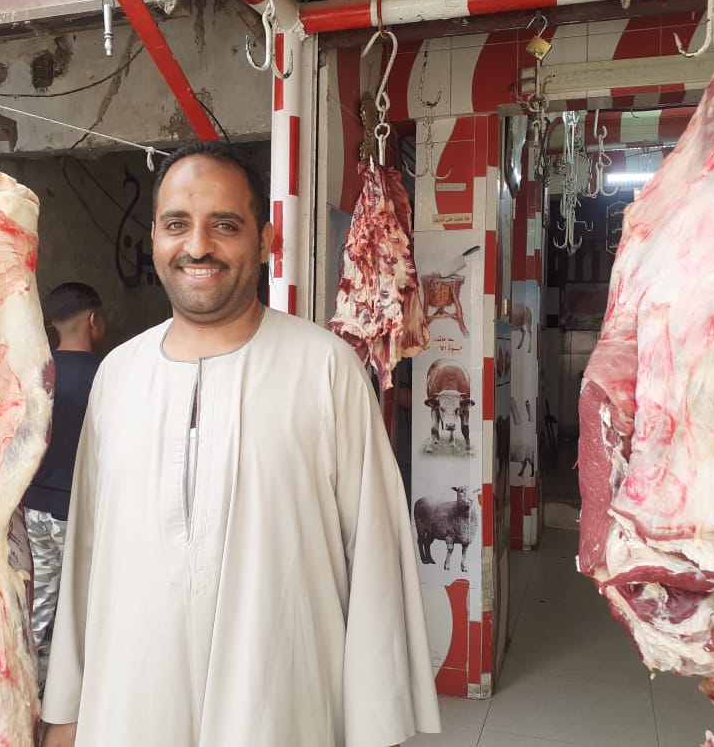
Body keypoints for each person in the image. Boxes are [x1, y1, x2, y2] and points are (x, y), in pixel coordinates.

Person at [41, 142, 440, 747]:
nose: (197, 246)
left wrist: (376, 723)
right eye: (177, 224)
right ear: (155, 238)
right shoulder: (118, 375)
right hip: (130, 703)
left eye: (224, 225)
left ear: (266, 241)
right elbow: (85, 556)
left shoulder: (325, 369)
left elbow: (376, 560)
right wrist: (67, 709)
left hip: (282, 708)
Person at [24, 282, 106, 692]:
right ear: (94, 321)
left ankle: (28, 690)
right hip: (78, 514)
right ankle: (80, 695)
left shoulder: (35, 375)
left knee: (39, 603)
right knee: (87, 606)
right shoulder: (105, 376)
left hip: (34, 509)